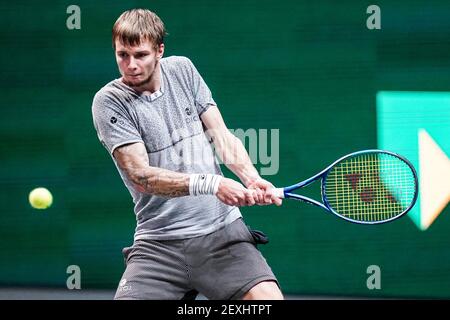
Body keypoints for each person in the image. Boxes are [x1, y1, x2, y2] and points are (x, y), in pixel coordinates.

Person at [92, 8, 283, 300]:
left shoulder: (182, 69)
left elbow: (221, 136)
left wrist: (252, 178)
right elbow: (141, 176)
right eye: (122, 55)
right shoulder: (109, 102)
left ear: (159, 50)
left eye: (140, 55)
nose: (130, 65)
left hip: (223, 234)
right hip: (158, 245)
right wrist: (213, 184)